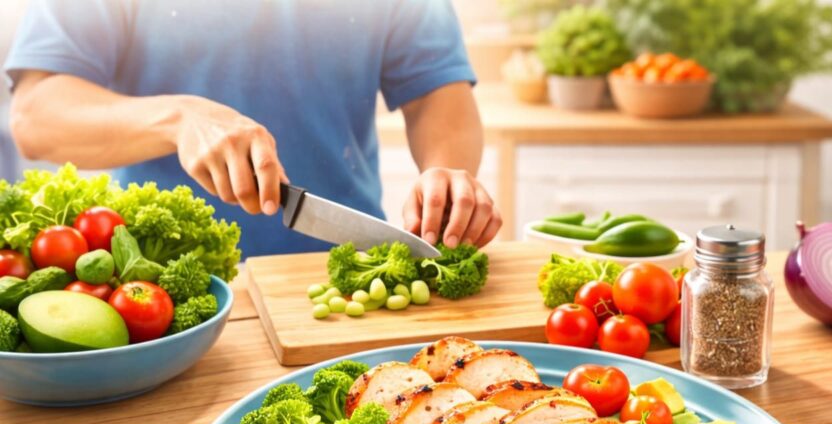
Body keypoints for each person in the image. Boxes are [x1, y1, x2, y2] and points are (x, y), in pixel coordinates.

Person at [4, 0, 501, 257]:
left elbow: (438, 92)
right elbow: (37, 115)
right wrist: (179, 117)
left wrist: (447, 172)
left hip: (339, 270)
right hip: (160, 291)